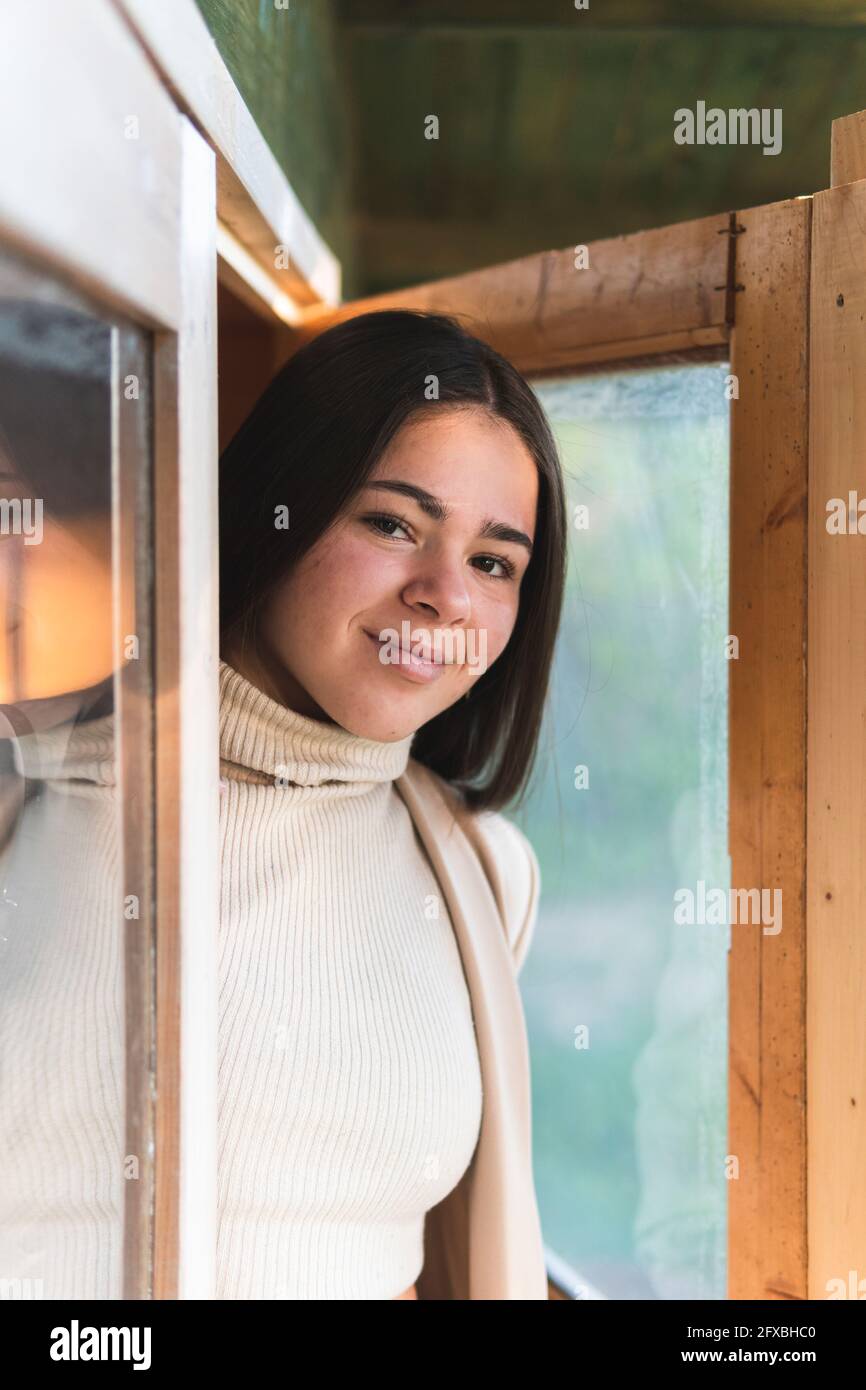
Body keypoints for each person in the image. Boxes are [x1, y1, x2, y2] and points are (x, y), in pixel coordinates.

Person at [217, 308, 567, 1299]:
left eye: (492, 562)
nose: (443, 595)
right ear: (278, 504)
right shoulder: (32, 790)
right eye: (393, 524)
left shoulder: (482, 874)